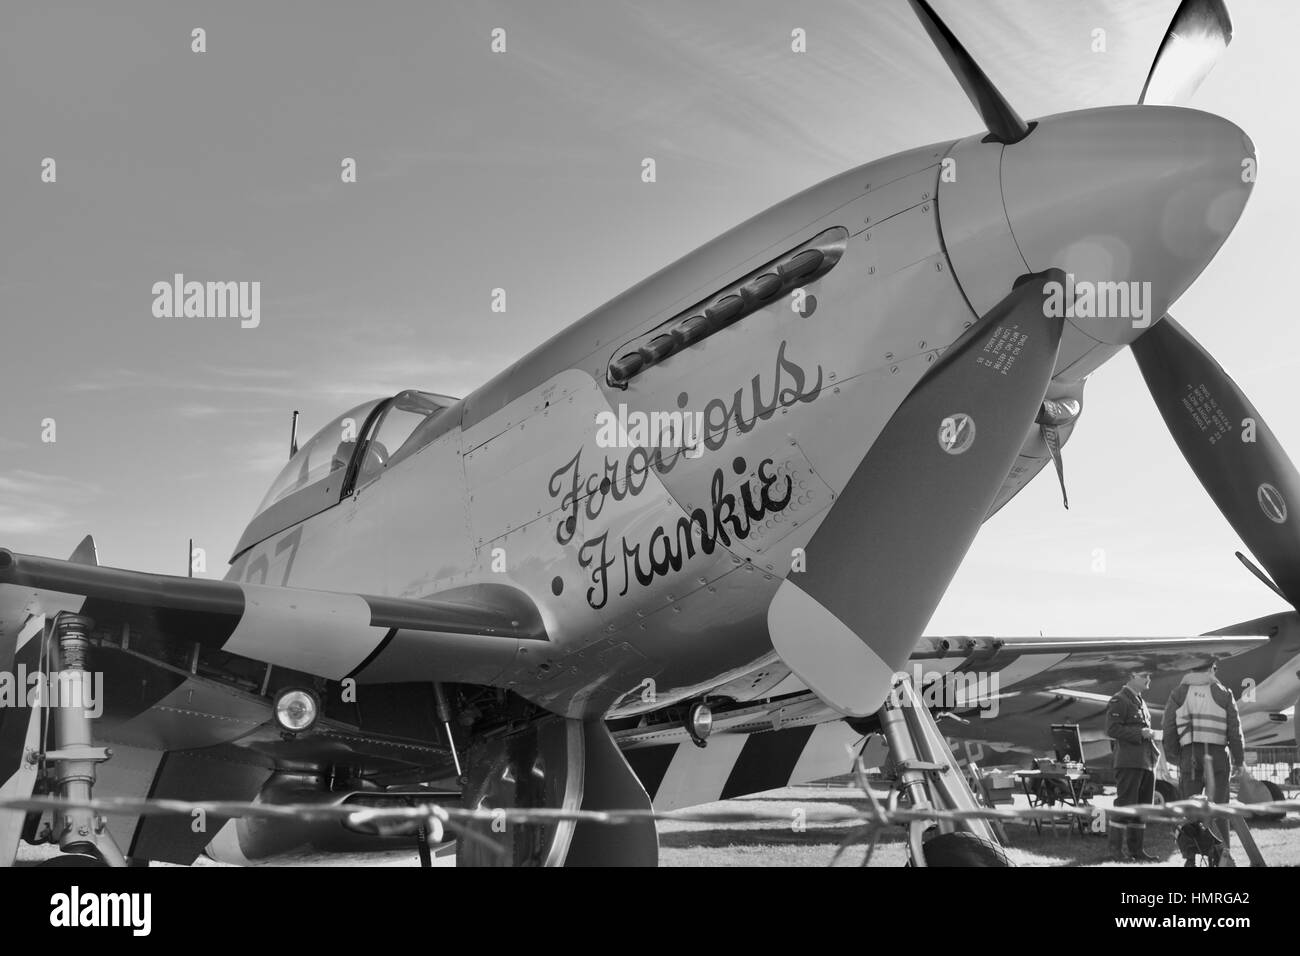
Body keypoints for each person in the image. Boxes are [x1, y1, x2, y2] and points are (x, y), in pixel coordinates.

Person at [1163, 660, 1245, 866]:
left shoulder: (1178, 693)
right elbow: (1235, 729)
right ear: (1211, 669)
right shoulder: (1222, 692)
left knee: (1190, 809)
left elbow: (1169, 726)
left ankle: (1190, 858)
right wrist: (1239, 759)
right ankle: (1222, 857)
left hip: (1189, 754)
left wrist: (1174, 755)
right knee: (1219, 809)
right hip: (1217, 755)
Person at [1106, 668, 1160, 862]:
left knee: (1142, 808)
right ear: (1131, 676)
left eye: (1148, 675)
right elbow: (1112, 729)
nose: (1148, 678)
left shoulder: (1139, 701)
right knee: (1125, 806)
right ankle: (1115, 852)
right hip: (1129, 762)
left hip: (1145, 761)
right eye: (1144, 675)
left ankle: (1137, 851)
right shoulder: (1120, 699)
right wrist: (1140, 734)